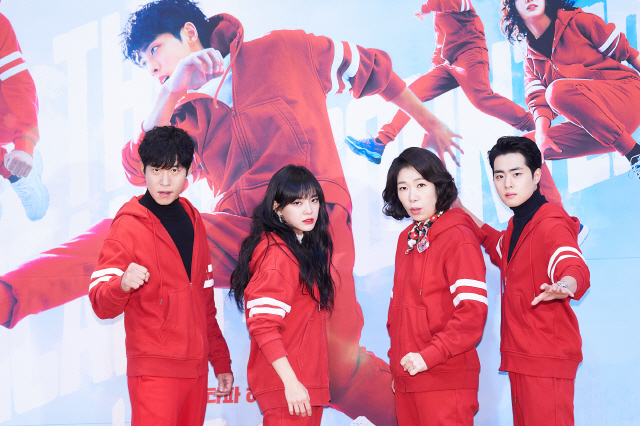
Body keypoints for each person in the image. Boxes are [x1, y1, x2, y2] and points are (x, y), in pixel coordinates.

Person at [1, 1, 463, 423]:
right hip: (245, 237)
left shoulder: (286, 49)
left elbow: (374, 70)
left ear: (189, 33)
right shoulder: (184, 114)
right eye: (144, 64)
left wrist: (432, 122)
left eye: (154, 51)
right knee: (133, 230)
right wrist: (171, 91)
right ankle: (8, 295)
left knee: (336, 371)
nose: (153, 67)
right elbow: (139, 169)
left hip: (312, 220)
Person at [89, 126, 233, 426]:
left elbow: (204, 302)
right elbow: (101, 304)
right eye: (156, 170)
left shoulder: (194, 220)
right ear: (143, 169)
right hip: (154, 372)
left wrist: (220, 360)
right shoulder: (127, 226)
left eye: (174, 170)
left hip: (196, 372)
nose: (165, 182)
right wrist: (121, 284)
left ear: (188, 172)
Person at [461, 136, 590, 426]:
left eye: (516, 174)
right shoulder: (517, 224)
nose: (507, 184)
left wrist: (565, 285)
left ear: (536, 176)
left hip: (545, 357)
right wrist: (460, 208)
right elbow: (495, 244)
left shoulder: (551, 223)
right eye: (500, 176)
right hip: (523, 356)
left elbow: (572, 264)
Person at [344, 0, 535, 165]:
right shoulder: (438, 15)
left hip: (470, 56)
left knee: (481, 99)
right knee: (411, 95)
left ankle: (534, 125)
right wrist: (433, 70)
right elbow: (440, 45)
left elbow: (451, 3)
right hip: (447, 65)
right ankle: (380, 143)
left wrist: (426, 8)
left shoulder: (457, 3)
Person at [383, 147, 488, 425]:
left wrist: (428, 357)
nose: (412, 196)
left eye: (420, 185)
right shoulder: (406, 239)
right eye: (403, 188)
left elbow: (472, 313)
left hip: (444, 379)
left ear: (438, 186)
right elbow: (397, 314)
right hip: (408, 379)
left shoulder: (458, 236)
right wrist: (398, 368)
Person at [501, 0, 640, 204]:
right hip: (599, 127)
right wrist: (541, 135)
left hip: (627, 97)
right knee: (521, 150)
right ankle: (556, 217)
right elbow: (539, 103)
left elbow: (630, 54)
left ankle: (634, 153)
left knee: (557, 92)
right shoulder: (530, 61)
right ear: (513, 8)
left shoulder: (579, 22)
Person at [230, 165, 334, 426]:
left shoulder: (298, 249)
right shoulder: (277, 253)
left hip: (302, 387)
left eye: (313, 200)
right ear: (277, 208)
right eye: (297, 202)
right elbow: (262, 324)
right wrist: (292, 383)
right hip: (290, 390)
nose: (309, 210)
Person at [0, 12, 48, 221]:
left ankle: (18, 173)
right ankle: (9, 168)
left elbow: (18, 84)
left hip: (7, 119)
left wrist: (24, 144)